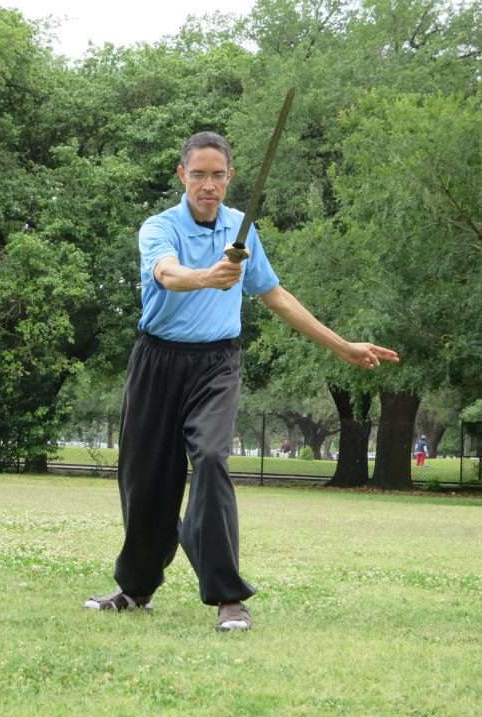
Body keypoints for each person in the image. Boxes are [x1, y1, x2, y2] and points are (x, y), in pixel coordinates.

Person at [84, 131, 400, 630]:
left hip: (216, 364)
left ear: (230, 178)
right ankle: (136, 588)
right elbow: (166, 274)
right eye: (198, 174)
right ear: (181, 175)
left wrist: (343, 346)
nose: (208, 185)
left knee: (211, 458)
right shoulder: (159, 227)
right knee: (147, 482)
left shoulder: (241, 229)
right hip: (157, 361)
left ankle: (228, 597)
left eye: (217, 175)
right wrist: (206, 276)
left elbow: (275, 295)